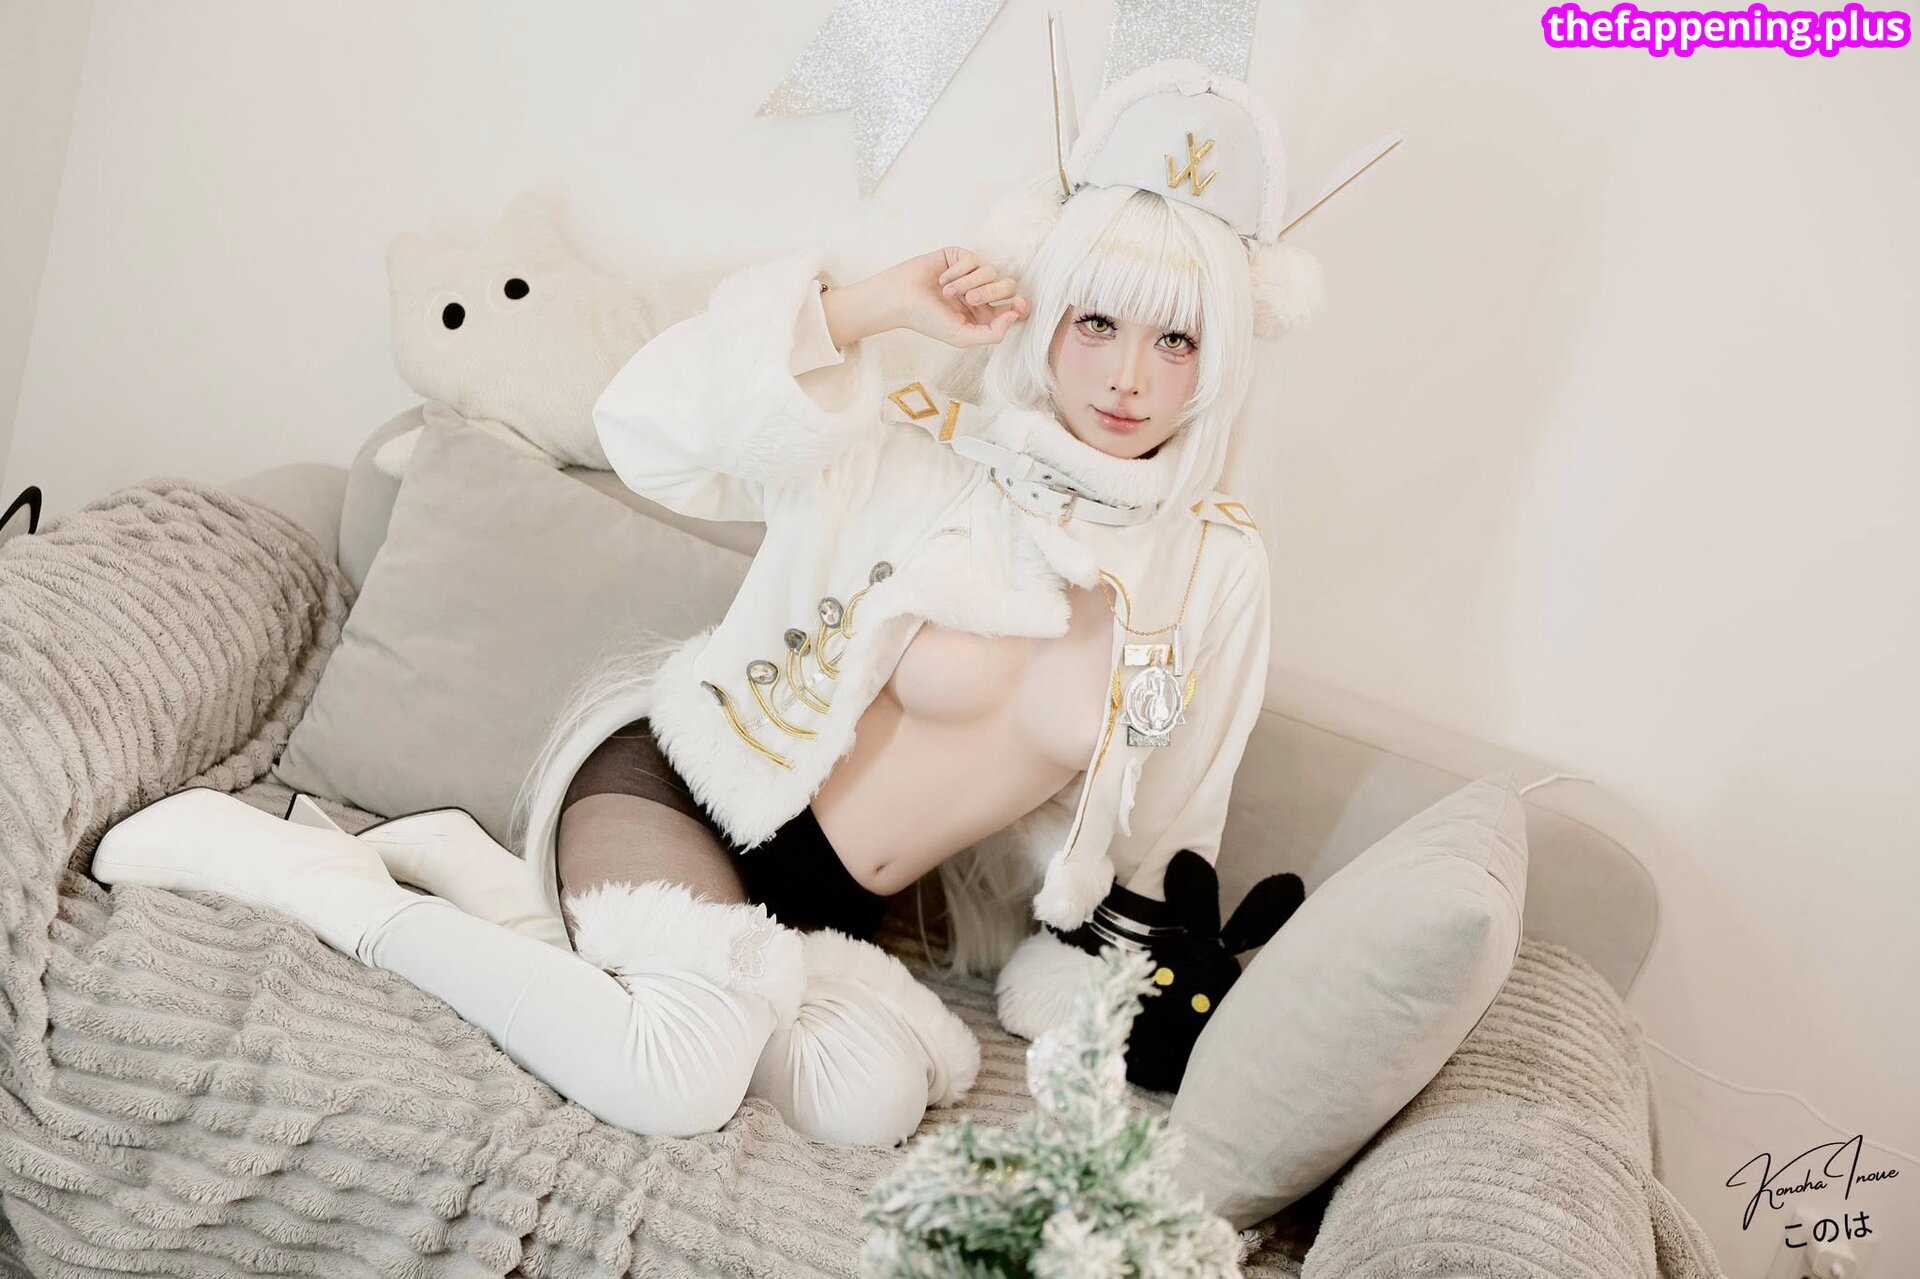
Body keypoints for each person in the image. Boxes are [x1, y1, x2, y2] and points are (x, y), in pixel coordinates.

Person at [90, 58, 1326, 1148]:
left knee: (867, 1100)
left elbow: (1171, 814)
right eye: (1096, 321)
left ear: (1220, 360)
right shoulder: (923, 450)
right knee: (677, 1072)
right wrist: (873, 307)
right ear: (1046, 315)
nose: (1127, 375)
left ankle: (478, 880)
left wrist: (1121, 995)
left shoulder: (1216, 569)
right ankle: (303, 879)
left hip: (837, 915)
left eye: (1175, 342)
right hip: (678, 792)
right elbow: (651, 430)